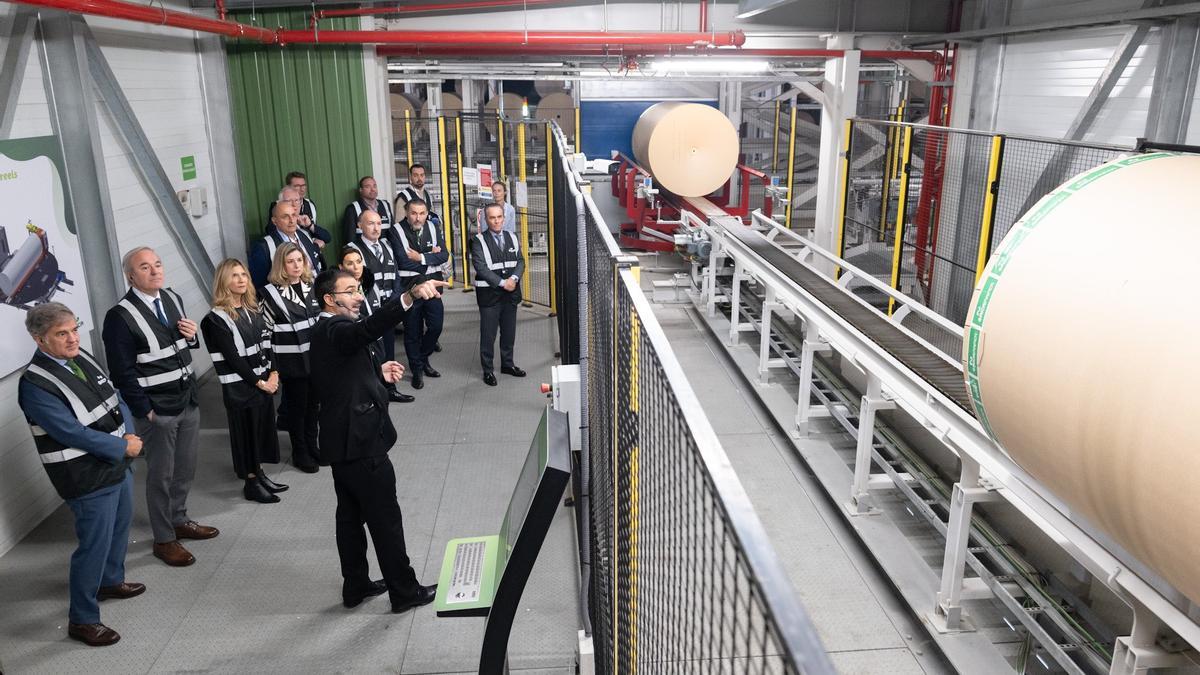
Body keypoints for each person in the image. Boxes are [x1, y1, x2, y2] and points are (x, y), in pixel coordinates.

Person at [309, 269, 446, 613]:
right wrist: (409, 297)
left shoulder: (327, 332)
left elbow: (341, 373)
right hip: (362, 442)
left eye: (358, 289)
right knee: (386, 519)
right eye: (350, 291)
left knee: (350, 516)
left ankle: (355, 585)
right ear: (329, 299)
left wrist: (378, 374)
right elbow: (363, 332)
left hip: (342, 442)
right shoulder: (335, 327)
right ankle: (405, 591)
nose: (358, 296)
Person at [18, 303, 145, 647]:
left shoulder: (80, 356)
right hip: (84, 475)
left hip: (116, 462)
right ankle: (83, 619)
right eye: (62, 333)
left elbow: (114, 398)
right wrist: (122, 447)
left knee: (120, 526)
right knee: (94, 544)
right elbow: (70, 432)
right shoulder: (35, 384)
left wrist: (130, 437)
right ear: (39, 339)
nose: (73, 338)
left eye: (74, 329)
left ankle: (110, 581)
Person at [102, 247, 218, 568]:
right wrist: (145, 411)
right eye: (145, 267)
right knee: (161, 475)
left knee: (185, 467)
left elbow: (180, 344)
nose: (154, 271)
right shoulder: (120, 317)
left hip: (187, 399)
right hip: (158, 410)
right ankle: (164, 538)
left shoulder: (171, 298)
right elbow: (121, 373)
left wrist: (192, 338)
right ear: (131, 276)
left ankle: (179, 518)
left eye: (157, 264)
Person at [199, 259, 285, 503]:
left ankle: (259, 473)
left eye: (243, 275)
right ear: (223, 281)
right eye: (234, 276)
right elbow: (234, 359)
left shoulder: (253, 310)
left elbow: (269, 344)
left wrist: (274, 373)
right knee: (246, 436)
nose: (241, 280)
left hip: (263, 383)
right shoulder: (215, 319)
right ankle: (251, 481)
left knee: (260, 432)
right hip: (240, 387)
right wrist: (261, 383)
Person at [260, 243, 322, 473]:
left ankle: (313, 445)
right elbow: (264, 333)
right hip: (291, 362)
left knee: (314, 406)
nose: (296, 265)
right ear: (281, 265)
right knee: (297, 408)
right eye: (290, 261)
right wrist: (272, 368)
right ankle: (300, 451)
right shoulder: (270, 293)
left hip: (314, 359)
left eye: (299, 260)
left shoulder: (311, 286)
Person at [338, 245, 413, 403]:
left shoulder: (371, 284)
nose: (355, 266)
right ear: (341, 267)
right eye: (349, 263)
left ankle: (389, 390)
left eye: (358, 261)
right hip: (360, 342)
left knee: (383, 369)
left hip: (377, 338)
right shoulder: (340, 294)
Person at [395, 198, 449, 390]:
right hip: (410, 289)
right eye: (413, 213)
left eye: (422, 213)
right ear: (406, 213)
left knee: (436, 326)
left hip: (433, 287)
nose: (418, 218)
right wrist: (431, 256)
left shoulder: (433, 227)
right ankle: (417, 369)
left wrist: (421, 256)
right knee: (412, 332)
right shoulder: (396, 231)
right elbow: (403, 262)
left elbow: (445, 255)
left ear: (427, 213)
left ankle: (423, 358)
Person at [471, 203, 527, 386]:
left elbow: (520, 261)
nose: (496, 221)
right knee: (488, 334)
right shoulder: (478, 241)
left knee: (509, 332)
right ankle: (488, 370)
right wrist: (504, 283)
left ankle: (507, 364)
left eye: (499, 217)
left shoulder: (512, 236)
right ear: (486, 220)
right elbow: (481, 267)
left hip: (510, 294)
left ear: (504, 218)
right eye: (492, 218)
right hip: (490, 295)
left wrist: (514, 279)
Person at [347, 210, 404, 370]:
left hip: (389, 306)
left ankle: (391, 386)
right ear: (360, 225)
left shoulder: (386, 244)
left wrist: (395, 298)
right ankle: (375, 389)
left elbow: (396, 274)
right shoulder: (353, 249)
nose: (376, 228)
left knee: (389, 347)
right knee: (372, 351)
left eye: (379, 223)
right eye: (371, 223)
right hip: (369, 310)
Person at [250, 200, 325, 289]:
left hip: (318, 290)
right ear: (274, 221)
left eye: (293, 215)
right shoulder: (264, 246)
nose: (291, 220)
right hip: (288, 297)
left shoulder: (304, 234)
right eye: (285, 217)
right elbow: (260, 285)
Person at [266, 177, 332, 250]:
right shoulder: (277, 226)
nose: (294, 204)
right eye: (289, 201)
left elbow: (327, 238)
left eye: (297, 200)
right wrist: (314, 246)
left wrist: (310, 225)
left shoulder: (306, 213)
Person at [342, 176, 399, 254]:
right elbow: (350, 238)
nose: (372, 189)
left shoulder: (385, 205)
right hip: (364, 253)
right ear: (361, 190)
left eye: (374, 186)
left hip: (386, 253)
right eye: (367, 186)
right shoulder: (352, 209)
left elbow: (393, 232)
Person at [393, 163, 441, 228]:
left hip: (427, 235)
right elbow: (398, 224)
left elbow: (431, 215)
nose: (419, 178)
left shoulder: (428, 195)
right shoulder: (403, 197)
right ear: (410, 177)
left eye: (422, 175)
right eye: (416, 175)